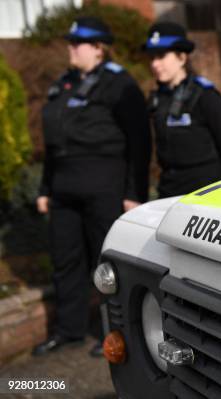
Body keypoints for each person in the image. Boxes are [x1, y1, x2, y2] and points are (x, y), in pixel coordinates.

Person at [33, 16, 151, 357]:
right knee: (65, 260)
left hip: (105, 186)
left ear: (98, 48)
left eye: (77, 43)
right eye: (70, 42)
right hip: (64, 189)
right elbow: (54, 145)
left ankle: (113, 332)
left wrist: (134, 193)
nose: (70, 48)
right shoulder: (63, 84)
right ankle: (68, 330)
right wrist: (45, 188)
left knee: (108, 265)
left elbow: (139, 142)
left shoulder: (117, 84)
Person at [143, 22, 221, 198]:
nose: (155, 64)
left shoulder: (205, 96)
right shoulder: (157, 98)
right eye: (152, 57)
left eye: (161, 56)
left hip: (205, 193)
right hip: (169, 192)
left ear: (182, 57)